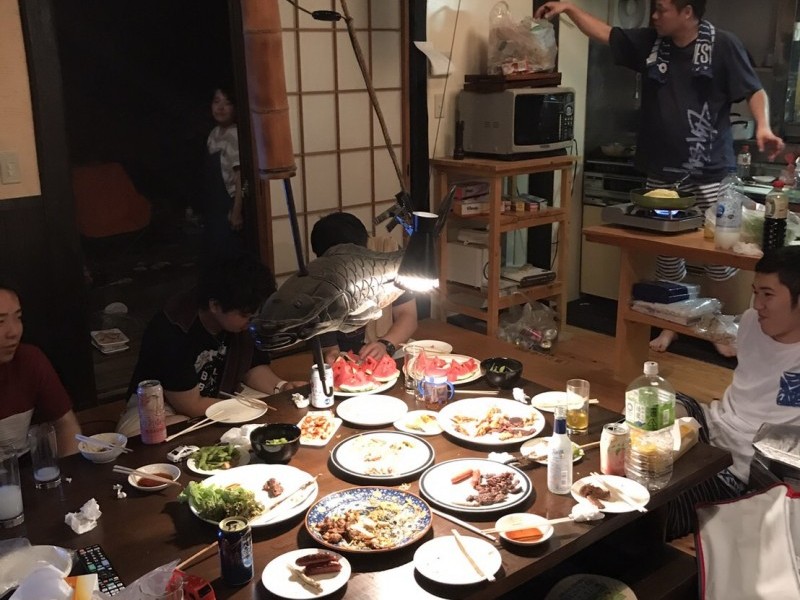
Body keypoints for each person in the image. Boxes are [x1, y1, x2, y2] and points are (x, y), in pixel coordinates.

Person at [536, 0, 784, 353]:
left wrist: (763, 126)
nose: (654, 15)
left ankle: (721, 327)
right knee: (667, 257)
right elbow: (606, 34)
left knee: (721, 257)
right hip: (662, 174)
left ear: (687, 12)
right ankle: (671, 325)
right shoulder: (652, 42)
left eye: (662, 9)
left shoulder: (723, 45)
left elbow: (754, 89)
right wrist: (569, 8)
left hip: (711, 171)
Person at [665, 245, 800, 538]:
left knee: (663, 509)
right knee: (653, 408)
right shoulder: (751, 321)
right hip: (714, 422)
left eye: (768, 294)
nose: (757, 304)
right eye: (755, 292)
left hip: (744, 464)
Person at [116, 255, 305, 437]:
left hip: (219, 394)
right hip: (159, 405)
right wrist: (248, 408)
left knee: (278, 411)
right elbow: (190, 405)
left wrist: (281, 387)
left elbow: (251, 367)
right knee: (179, 428)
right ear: (214, 305)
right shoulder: (173, 329)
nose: (250, 322)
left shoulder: (238, 320)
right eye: (246, 316)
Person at [310, 212, 418, 363]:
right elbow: (329, 350)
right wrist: (332, 356)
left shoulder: (386, 255)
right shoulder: (319, 281)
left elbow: (408, 315)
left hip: (387, 347)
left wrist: (386, 344)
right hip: (346, 356)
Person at [0, 283, 81, 456]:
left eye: (18, 317)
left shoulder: (29, 360)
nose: (13, 332)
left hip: (27, 468)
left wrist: (70, 470)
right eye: (0, 322)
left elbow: (66, 425)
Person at [201, 86, 245, 264]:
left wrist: (236, 212)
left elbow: (240, 177)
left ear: (235, 107)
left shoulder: (235, 134)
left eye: (227, 103)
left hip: (229, 203)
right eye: (216, 101)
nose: (220, 107)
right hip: (214, 204)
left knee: (229, 255)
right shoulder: (213, 134)